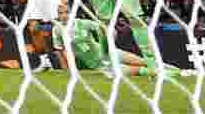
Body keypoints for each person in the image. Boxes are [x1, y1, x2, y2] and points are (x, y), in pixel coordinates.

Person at [53, 5, 191, 78]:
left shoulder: (82, 23)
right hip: (101, 64)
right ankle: (173, 74)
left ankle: (181, 71)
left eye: (67, 12)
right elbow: (60, 50)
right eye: (61, 13)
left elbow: (102, 28)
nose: (64, 15)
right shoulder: (57, 30)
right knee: (140, 71)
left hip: (108, 52)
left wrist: (109, 34)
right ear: (58, 15)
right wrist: (68, 69)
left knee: (144, 61)